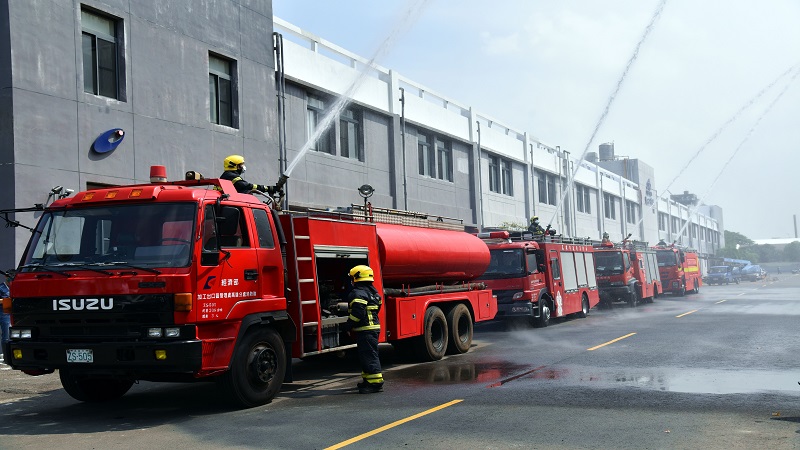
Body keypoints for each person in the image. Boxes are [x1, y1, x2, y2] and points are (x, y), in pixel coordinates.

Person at [343, 265, 384, 394]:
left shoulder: (358, 293)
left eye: (352, 278)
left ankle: (376, 383)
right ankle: (368, 380)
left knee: (369, 355)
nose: (351, 281)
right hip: (372, 329)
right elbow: (378, 307)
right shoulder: (374, 293)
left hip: (365, 331)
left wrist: (348, 325)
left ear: (357, 278)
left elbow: (358, 313)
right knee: (367, 355)